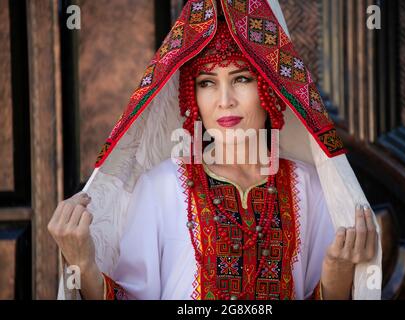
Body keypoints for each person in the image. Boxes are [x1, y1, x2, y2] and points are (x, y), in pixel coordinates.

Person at [48, 0, 382, 300]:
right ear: (191, 96)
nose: (224, 100)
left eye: (241, 79)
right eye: (207, 82)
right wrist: (83, 264)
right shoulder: (160, 187)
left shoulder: (307, 185)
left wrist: (336, 279)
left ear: (269, 85)